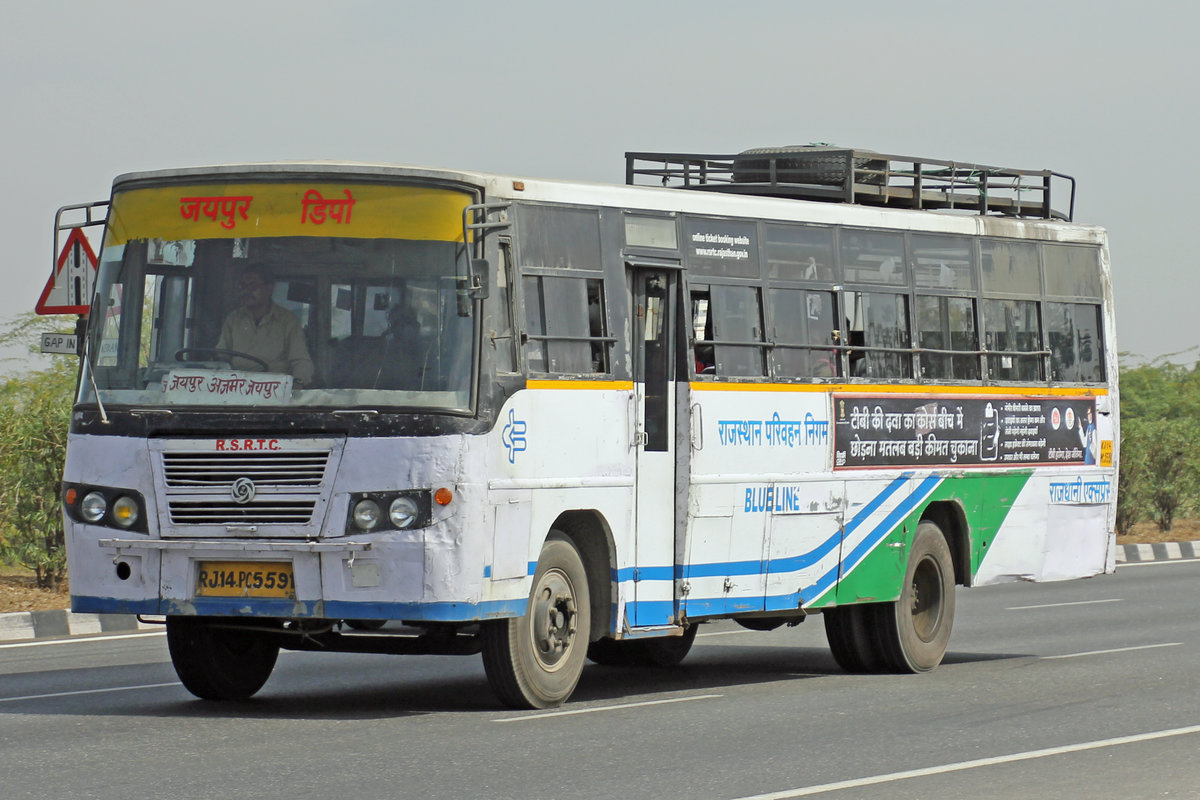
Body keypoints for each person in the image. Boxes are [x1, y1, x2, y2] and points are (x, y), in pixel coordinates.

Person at [216, 265, 314, 386]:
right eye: (243, 286)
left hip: (273, 390)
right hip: (237, 388)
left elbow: (301, 361)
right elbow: (221, 357)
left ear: (269, 288)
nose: (246, 291)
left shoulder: (287, 320)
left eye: (253, 286)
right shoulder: (233, 319)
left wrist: (296, 386)